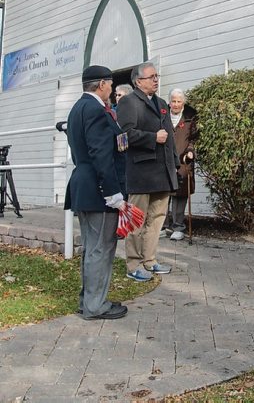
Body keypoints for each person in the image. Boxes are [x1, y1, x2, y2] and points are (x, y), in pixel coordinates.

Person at [65, 65, 127, 320]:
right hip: (98, 189)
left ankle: (88, 300)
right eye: (110, 84)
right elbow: (101, 154)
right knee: (100, 248)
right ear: (101, 84)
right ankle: (95, 305)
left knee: (92, 248)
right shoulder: (96, 110)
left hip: (84, 185)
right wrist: (114, 193)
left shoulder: (78, 108)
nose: (112, 89)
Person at [116, 62, 179, 281]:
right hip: (141, 171)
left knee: (157, 219)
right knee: (137, 221)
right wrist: (152, 138)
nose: (156, 79)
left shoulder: (161, 103)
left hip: (162, 171)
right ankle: (133, 264)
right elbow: (125, 134)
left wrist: (175, 164)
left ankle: (149, 260)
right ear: (138, 81)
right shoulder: (128, 102)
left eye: (156, 76)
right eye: (151, 76)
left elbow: (169, 134)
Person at [164, 88, 197, 241]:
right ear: (169, 102)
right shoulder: (162, 115)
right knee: (163, 194)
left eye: (179, 101)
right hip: (165, 160)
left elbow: (193, 139)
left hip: (183, 160)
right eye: (173, 101)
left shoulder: (191, 117)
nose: (176, 104)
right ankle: (162, 226)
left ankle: (178, 226)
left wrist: (190, 151)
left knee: (180, 194)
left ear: (183, 102)